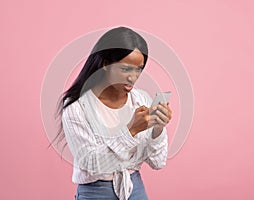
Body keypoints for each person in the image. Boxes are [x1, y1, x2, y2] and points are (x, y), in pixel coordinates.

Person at [56, 26, 172, 200]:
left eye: (138, 69)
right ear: (105, 64)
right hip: (95, 193)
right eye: (125, 69)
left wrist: (158, 130)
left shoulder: (140, 100)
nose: (133, 77)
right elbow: (92, 163)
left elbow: (158, 162)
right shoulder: (77, 106)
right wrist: (131, 130)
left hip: (135, 189)